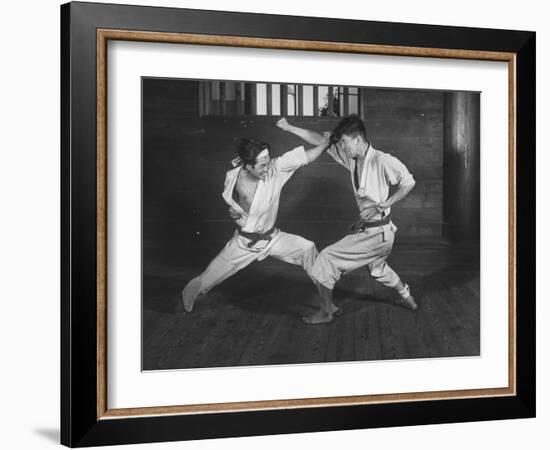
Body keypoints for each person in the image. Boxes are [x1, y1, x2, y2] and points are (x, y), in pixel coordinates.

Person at [178, 119, 339, 316]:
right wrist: (237, 216)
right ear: (248, 166)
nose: (267, 167)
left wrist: (325, 143)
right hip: (244, 243)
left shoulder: (275, 168)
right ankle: (186, 299)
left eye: (268, 161)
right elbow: (238, 207)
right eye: (262, 164)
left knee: (308, 248)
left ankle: (327, 305)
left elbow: (306, 157)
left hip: (272, 238)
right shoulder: (234, 179)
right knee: (206, 279)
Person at [277, 115, 418, 324]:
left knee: (325, 259)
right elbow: (321, 141)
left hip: (377, 234)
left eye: (344, 142)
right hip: (376, 233)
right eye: (341, 142)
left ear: (358, 140)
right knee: (377, 269)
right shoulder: (352, 159)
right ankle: (408, 297)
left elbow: (408, 182)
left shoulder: (382, 160)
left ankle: (326, 312)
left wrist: (386, 203)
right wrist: (289, 128)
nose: (342, 146)